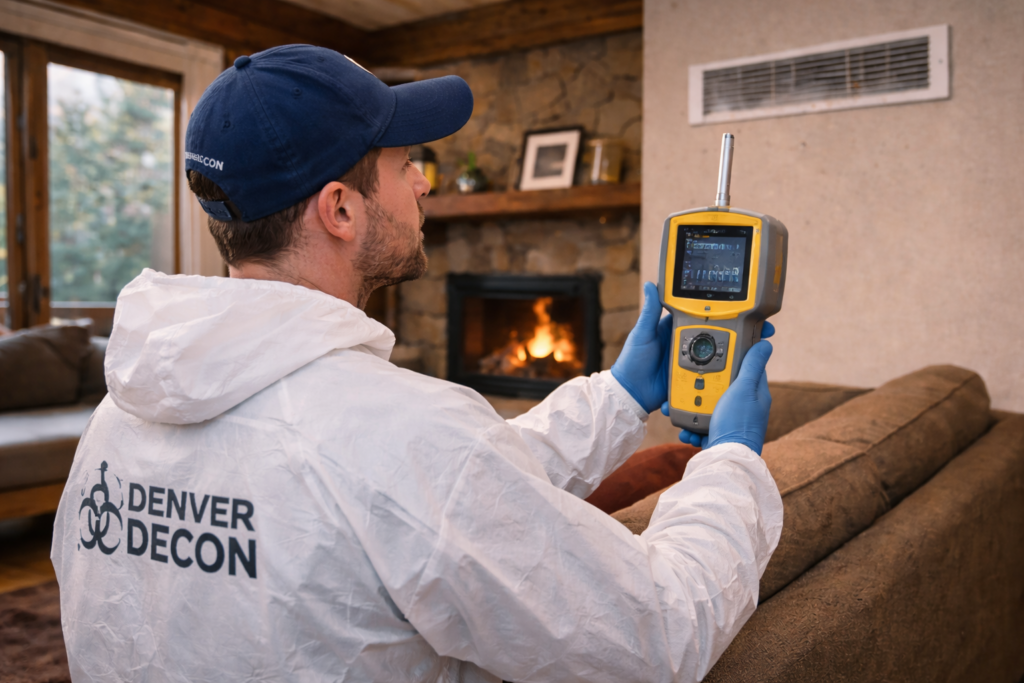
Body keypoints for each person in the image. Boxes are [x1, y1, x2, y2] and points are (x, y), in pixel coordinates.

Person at [52, 45, 782, 682]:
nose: (426, 183)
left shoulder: (116, 421)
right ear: (340, 209)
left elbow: (440, 491)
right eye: (406, 164)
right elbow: (658, 637)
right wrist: (730, 463)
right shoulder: (398, 433)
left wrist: (618, 396)